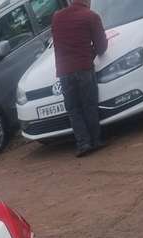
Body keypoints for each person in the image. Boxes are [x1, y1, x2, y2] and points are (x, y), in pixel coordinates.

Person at [51, 0, 108, 156]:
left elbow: (57, 44)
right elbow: (102, 46)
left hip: (64, 71)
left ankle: (83, 144)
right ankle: (95, 141)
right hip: (83, 68)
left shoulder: (56, 17)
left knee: (73, 109)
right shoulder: (91, 16)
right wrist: (91, 52)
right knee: (89, 105)